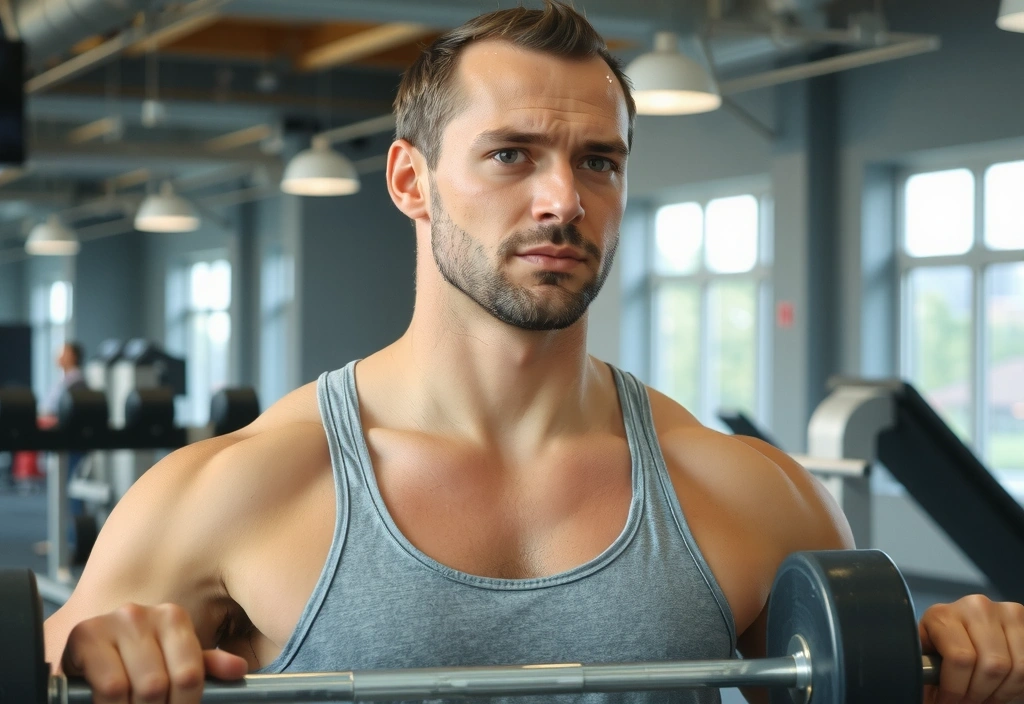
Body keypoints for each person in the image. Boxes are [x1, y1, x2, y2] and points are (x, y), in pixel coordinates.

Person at [43, 4, 1024, 704]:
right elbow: (54, 663)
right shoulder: (236, 486)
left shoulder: (751, 491)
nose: (563, 199)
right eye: (511, 154)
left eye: (598, 161)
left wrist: (965, 662)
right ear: (410, 180)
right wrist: (90, 658)